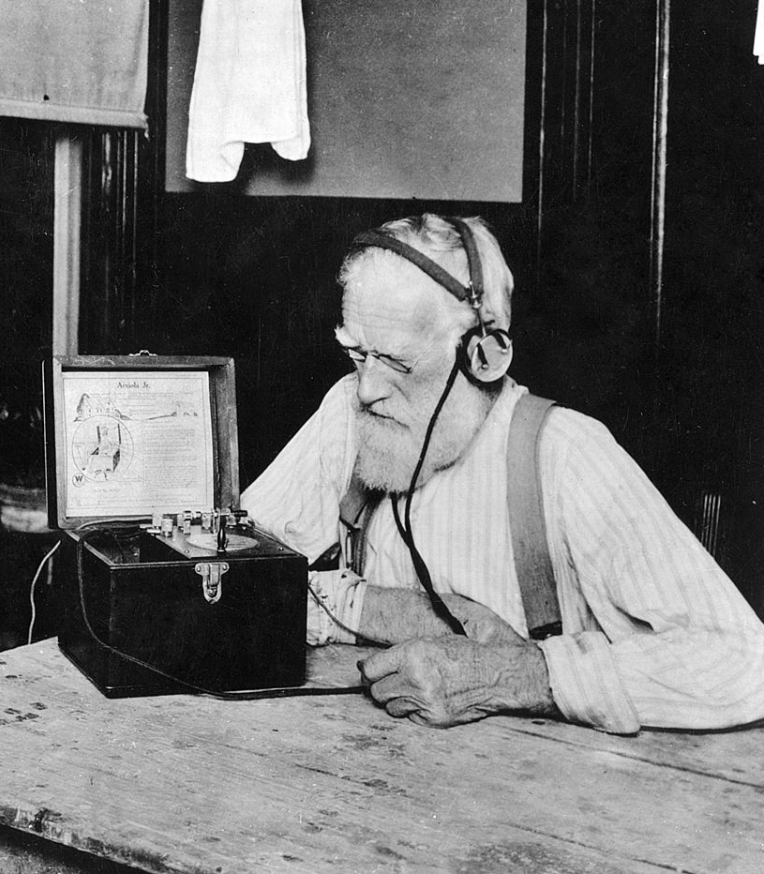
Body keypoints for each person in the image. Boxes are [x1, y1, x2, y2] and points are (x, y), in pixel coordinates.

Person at [241, 213, 764, 734]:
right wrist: (382, 609)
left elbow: (743, 661)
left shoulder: (566, 453)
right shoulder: (349, 413)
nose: (366, 389)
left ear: (481, 356)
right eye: (357, 354)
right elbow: (233, 583)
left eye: (397, 364)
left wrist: (512, 675)